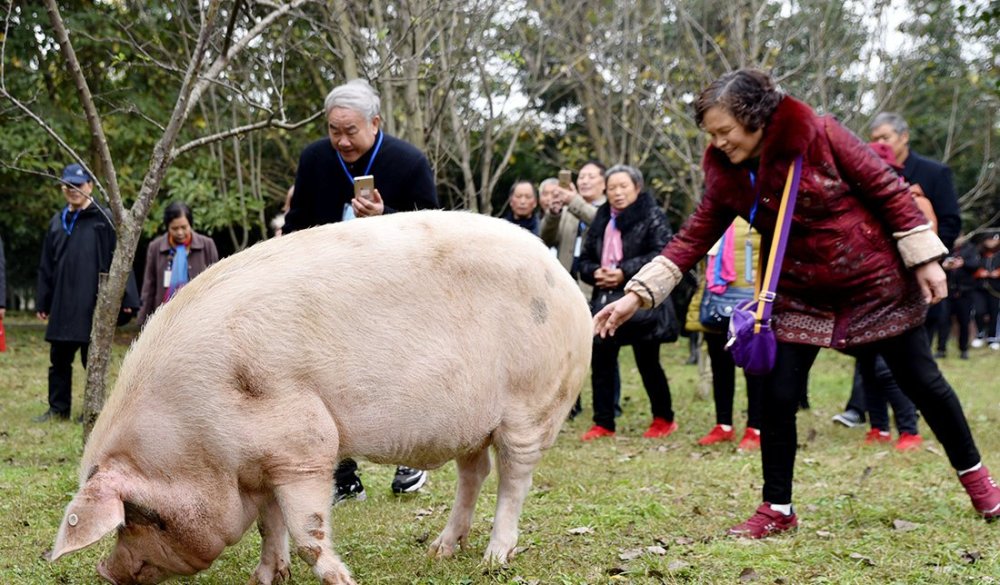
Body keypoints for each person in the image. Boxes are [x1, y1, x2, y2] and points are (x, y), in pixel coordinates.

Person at [594, 69, 1000, 537]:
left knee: (924, 383)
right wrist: (635, 296)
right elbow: (695, 234)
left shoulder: (823, 135)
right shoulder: (731, 174)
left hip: (874, 283)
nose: (719, 142)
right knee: (777, 395)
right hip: (796, 294)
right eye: (712, 135)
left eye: (725, 131)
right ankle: (778, 508)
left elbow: (886, 188)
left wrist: (926, 258)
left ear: (757, 118)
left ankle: (978, 481)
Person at [283, 78, 439, 503]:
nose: (341, 140)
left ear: (375, 123)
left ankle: (412, 459)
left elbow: (434, 232)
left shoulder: (408, 162)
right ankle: (344, 474)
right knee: (332, 380)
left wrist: (387, 217)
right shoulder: (315, 159)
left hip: (394, 293)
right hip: (330, 290)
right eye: (335, 130)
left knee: (399, 374)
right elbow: (298, 223)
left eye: (351, 131)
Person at [831, 114, 961, 426]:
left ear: (904, 137)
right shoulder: (862, 170)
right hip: (874, 276)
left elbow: (950, 221)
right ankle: (866, 413)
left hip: (919, 274)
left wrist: (927, 261)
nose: (879, 142)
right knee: (869, 351)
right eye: (874, 137)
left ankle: (908, 419)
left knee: (908, 357)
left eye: (885, 137)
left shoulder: (933, 173)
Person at [34, 163, 140, 422]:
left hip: (91, 303)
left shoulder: (103, 220)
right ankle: (58, 408)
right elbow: (46, 265)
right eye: (68, 185)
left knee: (90, 360)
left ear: (90, 185)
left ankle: (92, 412)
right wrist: (43, 300)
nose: (73, 190)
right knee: (58, 360)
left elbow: (120, 258)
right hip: (61, 303)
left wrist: (128, 297)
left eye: (78, 185)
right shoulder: (57, 223)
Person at [578, 165, 676, 441]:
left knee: (648, 362)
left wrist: (624, 271)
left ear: (637, 188)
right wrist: (594, 272)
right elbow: (583, 259)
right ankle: (604, 422)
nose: (617, 193)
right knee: (602, 360)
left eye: (623, 187)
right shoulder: (601, 218)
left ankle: (664, 418)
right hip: (606, 300)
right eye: (612, 188)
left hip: (642, 301)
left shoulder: (652, 215)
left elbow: (663, 253)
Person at [540, 161, 621, 419]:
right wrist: (554, 213)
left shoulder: (609, 210)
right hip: (565, 285)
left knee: (600, 349)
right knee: (564, 348)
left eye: (590, 177)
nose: (584, 181)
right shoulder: (568, 210)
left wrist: (573, 201)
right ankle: (570, 404)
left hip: (594, 287)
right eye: (581, 177)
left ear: (603, 183)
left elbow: (601, 224)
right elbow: (546, 238)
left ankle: (610, 404)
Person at [689, 218, 763, 451]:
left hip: (750, 304)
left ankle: (755, 427)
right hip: (716, 302)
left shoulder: (760, 212)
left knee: (754, 369)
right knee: (720, 367)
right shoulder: (716, 215)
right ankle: (724, 425)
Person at [137, 202, 220, 326]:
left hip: (200, 314)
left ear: (190, 225)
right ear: (167, 227)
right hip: (165, 316)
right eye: (175, 229)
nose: (180, 232)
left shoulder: (207, 245)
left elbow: (216, 283)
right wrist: (142, 321)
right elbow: (149, 286)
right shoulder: (155, 248)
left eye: (184, 227)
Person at [971, 232, 1000, 350]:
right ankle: (980, 334)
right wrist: (979, 273)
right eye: (989, 239)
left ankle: (992, 338)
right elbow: (970, 266)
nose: (992, 242)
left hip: (996, 289)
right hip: (979, 288)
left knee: (994, 313)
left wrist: (998, 273)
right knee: (979, 311)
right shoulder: (978, 253)